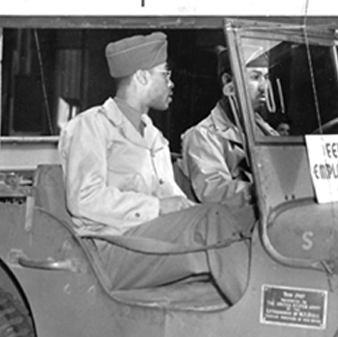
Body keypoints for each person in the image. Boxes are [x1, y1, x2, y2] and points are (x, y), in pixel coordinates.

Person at [58, 32, 253, 304]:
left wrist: (197, 209)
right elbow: (84, 200)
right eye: (166, 75)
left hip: (147, 242)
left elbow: (174, 200)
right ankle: (254, 303)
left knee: (239, 217)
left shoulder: (155, 137)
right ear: (141, 77)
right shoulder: (91, 126)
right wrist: (159, 208)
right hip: (110, 249)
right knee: (213, 221)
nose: (171, 84)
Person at [181, 48, 275, 208]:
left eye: (266, 77)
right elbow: (213, 191)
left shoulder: (267, 131)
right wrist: (259, 191)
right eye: (255, 77)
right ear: (227, 82)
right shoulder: (203, 135)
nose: (263, 86)